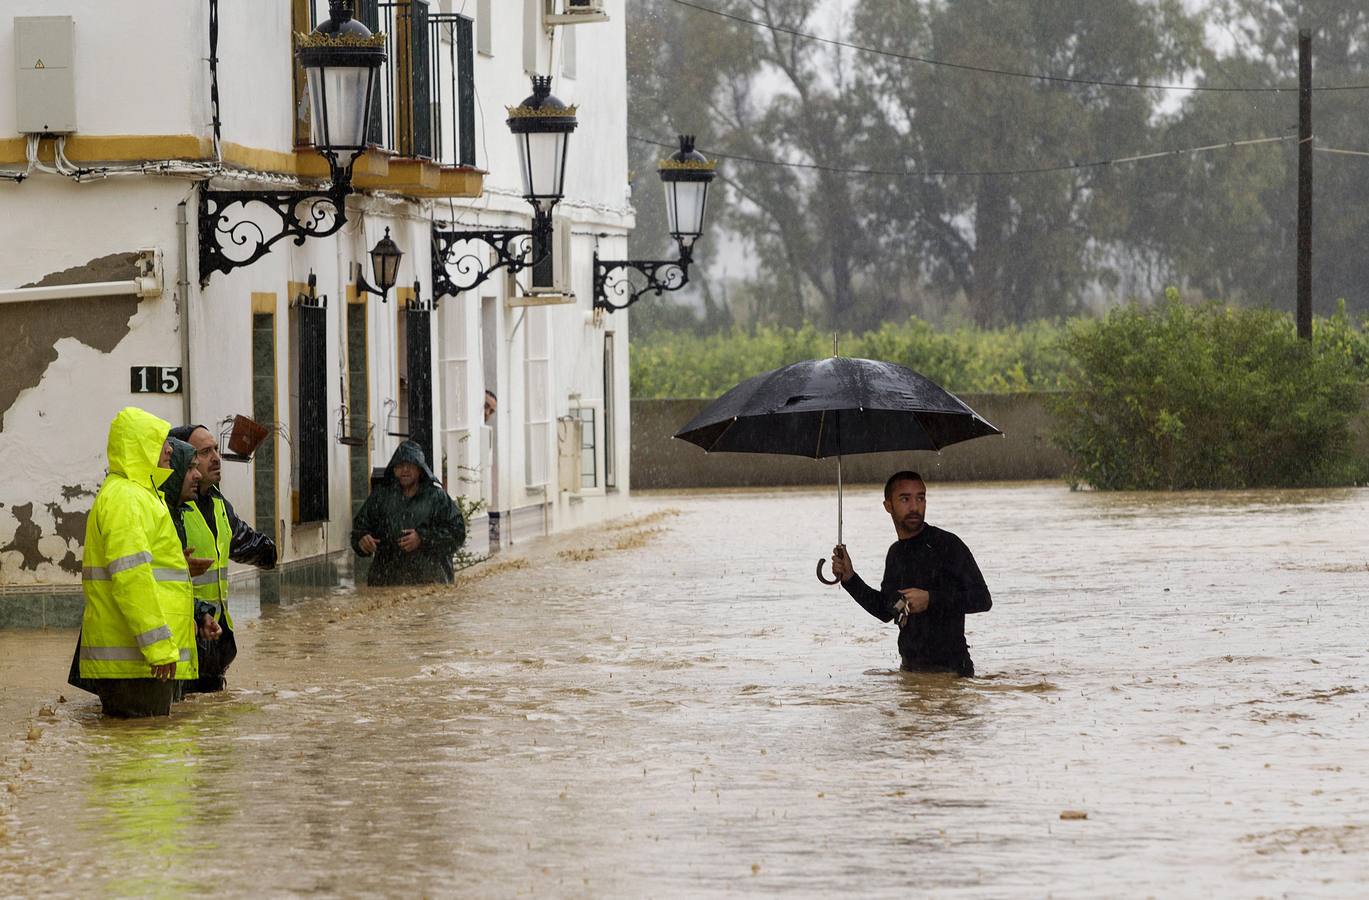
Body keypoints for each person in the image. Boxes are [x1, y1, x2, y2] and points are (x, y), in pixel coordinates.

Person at [68, 407, 199, 717]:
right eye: (160, 440)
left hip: (138, 660)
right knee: (143, 755)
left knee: (142, 751)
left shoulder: (140, 495)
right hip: (136, 662)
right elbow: (132, 578)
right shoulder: (127, 498)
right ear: (139, 446)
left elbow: (154, 575)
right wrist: (158, 646)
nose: (170, 448)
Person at [830, 471, 991, 677]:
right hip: (910, 672)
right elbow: (886, 610)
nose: (915, 507)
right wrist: (850, 578)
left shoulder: (947, 544)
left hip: (952, 673)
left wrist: (930, 599)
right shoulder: (895, 554)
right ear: (888, 506)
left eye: (920, 498)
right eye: (905, 499)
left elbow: (982, 600)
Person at [168, 424, 278, 694]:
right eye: (204, 452)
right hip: (183, 639)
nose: (216, 457)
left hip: (215, 641)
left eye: (216, 449)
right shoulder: (171, 508)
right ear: (183, 461)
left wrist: (271, 552)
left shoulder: (218, 503)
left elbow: (243, 541)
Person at [351, 440, 465, 586]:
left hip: (430, 583)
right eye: (400, 465)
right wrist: (362, 540)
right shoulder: (380, 496)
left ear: (419, 469)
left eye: (410, 464)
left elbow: (457, 533)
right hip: (386, 584)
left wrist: (423, 538)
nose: (405, 469)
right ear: (394, 469)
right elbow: (359, 530)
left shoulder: (437, 498)